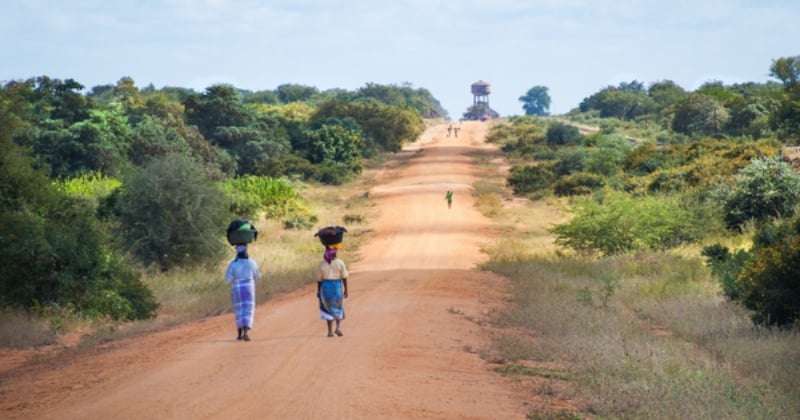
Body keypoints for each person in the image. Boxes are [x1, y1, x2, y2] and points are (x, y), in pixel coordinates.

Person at [225, 244, 261, 341]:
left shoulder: (233, 263)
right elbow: (257, 276)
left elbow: (228, 279)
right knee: (248, 309)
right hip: (249, 287)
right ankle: (246, 332)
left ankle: (239, 334)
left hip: (237, 288)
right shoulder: (252, 262)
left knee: (239, 310)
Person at [316, 246, 349, 337]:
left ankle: (330, 331)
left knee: (327, 308)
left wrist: (319, 291)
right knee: (338, 306)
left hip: (326, 287)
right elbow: (344, 277)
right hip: (337, 286)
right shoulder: (340, 263)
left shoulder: (322, 264)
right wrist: (346, 290)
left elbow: (319, 279)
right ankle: (338, 328)